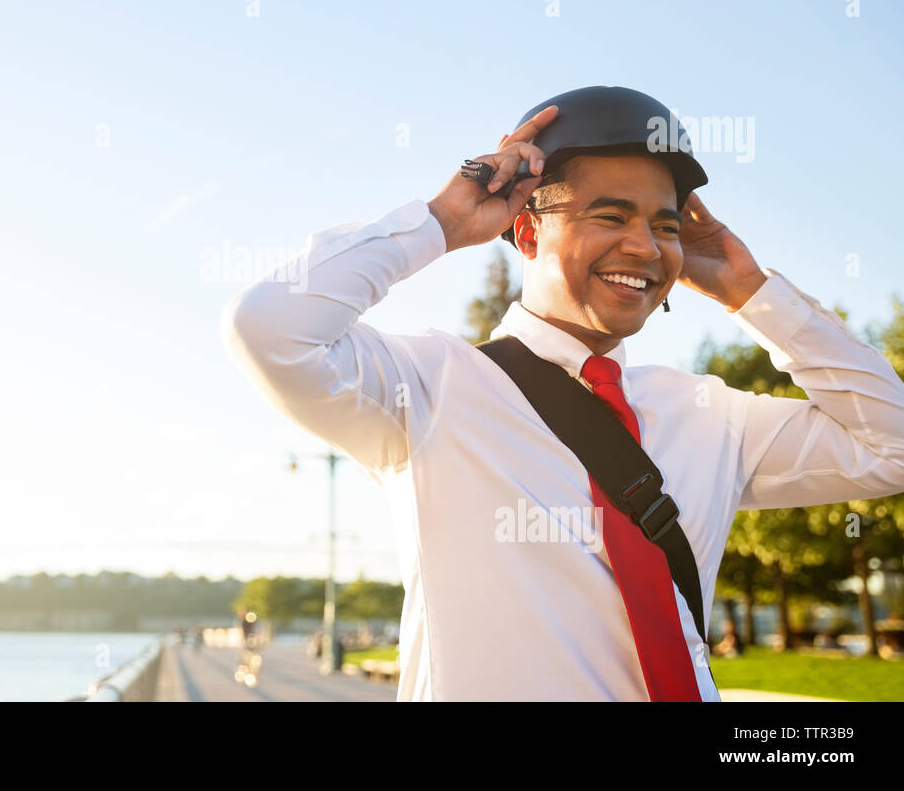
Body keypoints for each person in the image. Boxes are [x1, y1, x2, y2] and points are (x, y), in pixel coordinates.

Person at [219, 86, 904, 701]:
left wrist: (753, 294)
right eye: (612, 216)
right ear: (526, 229)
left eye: (665, 225)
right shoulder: (429, 390)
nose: (646, 245)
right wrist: (442, 223)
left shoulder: (707, 414)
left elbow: (892, 448)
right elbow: (269, 329)